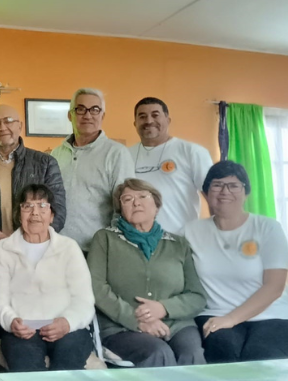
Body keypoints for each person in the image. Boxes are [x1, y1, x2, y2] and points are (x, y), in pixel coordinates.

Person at [183, 161, 288, 363]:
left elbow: (274, 287)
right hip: (215, 315)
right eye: (217, 185)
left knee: (260, 360)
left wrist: (231, 319)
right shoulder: (190, 231)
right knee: (224, 356)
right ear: (205, 193)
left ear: (245, 192)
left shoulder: (268, 228)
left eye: (234, 185)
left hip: (274, 316)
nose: (225, 191)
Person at [88, 178, 207, 367]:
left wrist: (163, 308)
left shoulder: (178, 244)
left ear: (156, 206)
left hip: (177, 325)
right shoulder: (105, 239)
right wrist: (137, 320)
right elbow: (97, 288)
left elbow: (197, 296)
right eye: (127, 199)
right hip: (121, 327)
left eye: (143, 196)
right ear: (120, 210)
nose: (136, 202)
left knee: (192, 355)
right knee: (159, 353)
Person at [0, 184, 94, 371]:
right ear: (18, 214)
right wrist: (11, 321)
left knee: (68, 365)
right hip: (22, 331)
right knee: (26, 368)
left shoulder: (69, 248)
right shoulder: (3, 249)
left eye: (42, 206)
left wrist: (67, 322)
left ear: (52, 215)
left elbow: (84, 300)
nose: (34, 213)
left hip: (66, 328)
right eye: (27, 206)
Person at [0, 104, 66, 271]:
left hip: (36, 257)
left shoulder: (45, 163)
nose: (3, 127)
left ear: (20, 126)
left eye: (8, 121)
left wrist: (31, 239)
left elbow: (57, 210)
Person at [51, 88, 135, 253]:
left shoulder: (116, 153)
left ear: (102, 116)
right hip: (57, 247)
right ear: (70, 115)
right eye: (80, 109)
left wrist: (112, 246)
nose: (87, 115)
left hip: (97, 250)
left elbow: (126, 205)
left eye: (95, 110)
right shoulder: (56, 154)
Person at [128, 97, 213, 234]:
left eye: (155, 115)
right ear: (135, 123)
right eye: (142, 117)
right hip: (136, 242)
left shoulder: (191, 152)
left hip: (180, 242)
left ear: (168, 120)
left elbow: (214, 197)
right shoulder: (125, 155)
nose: (149, 121)